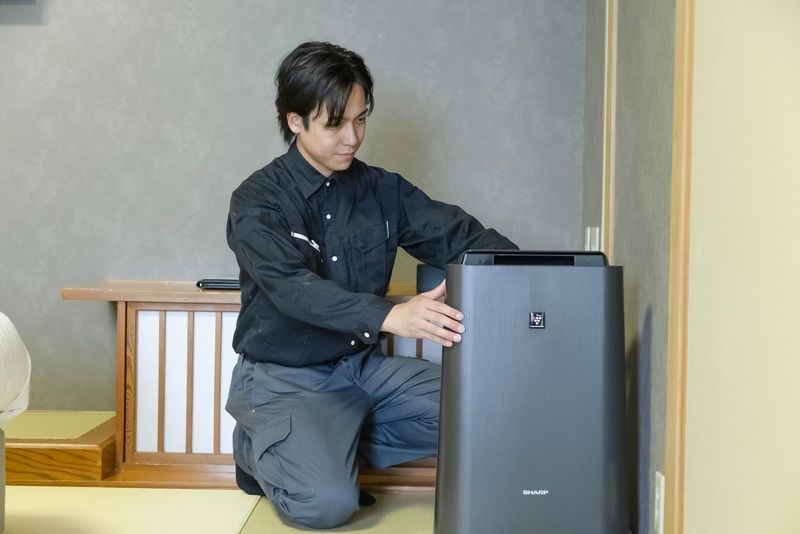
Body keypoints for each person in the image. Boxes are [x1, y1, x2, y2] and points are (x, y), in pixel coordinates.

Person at [225, 41, 517, 529]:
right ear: (295, 121)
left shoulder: (383, 190)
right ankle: (259, 450)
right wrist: (392, 315)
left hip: (362, 369)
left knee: (490, 410)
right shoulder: (257, 200)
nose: (352, 138)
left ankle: (317, 449)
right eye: (335, 124)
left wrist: (540, 277)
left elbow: (460, 238)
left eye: (360, 120)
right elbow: (293, 288)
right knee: (327, 506)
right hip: (286, 377)